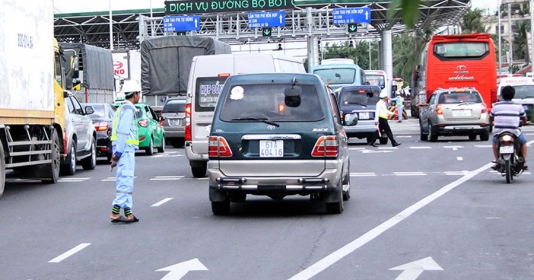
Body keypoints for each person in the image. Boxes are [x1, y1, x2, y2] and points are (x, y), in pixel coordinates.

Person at [109, 86, 141, 223]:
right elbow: (123, 132)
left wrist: (116, 154)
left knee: (125, 180)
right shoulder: (128, 110)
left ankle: (128, 212)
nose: (139, 95)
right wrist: (118, 153)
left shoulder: (121, 108)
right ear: (134, 94)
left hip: (124, 149)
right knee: (126, 181)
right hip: (126, 150)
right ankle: (115, 212)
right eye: (138, 93)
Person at [490, 85, 528, 170]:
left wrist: (492, 123)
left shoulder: (496, 106)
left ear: (502, 95)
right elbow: (524, 118)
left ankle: (497, 161)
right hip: (514, 131)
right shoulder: (518, 106)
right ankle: (524, 162)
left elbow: (491, 117)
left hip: (499, 132)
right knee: (524, 142)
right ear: (513, 95)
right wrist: (523, 123)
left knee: (494, 143)